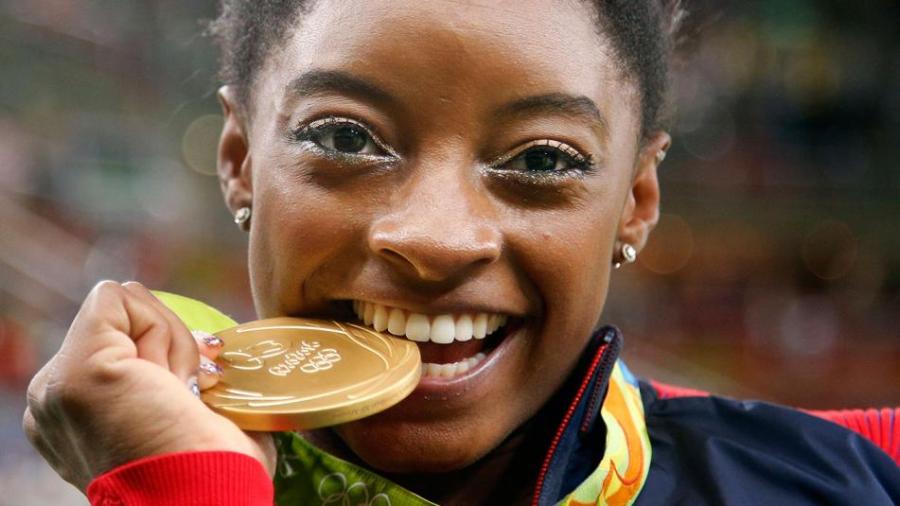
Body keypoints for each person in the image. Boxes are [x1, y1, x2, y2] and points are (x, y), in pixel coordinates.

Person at [22, 1, 899, 504]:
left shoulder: (846, 477)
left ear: (635, 202)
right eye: (346, 138)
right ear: (242, 162)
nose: (436, 238)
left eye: (544, 159)